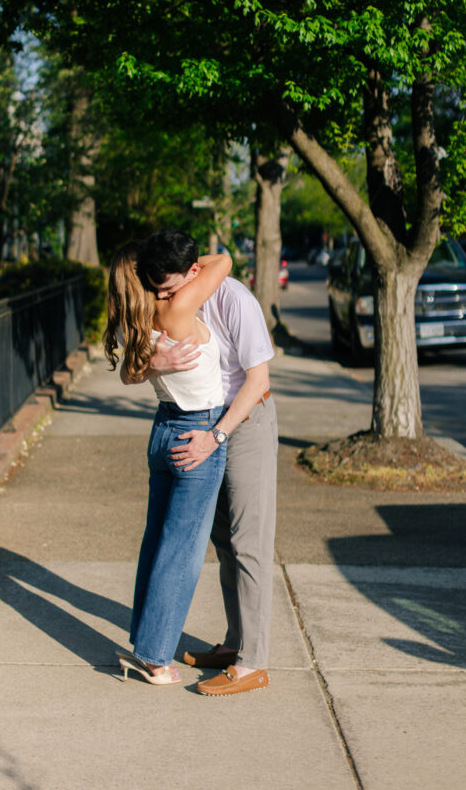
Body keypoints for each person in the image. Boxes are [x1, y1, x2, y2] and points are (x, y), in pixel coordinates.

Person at [135, 228, 277, 696]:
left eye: (171, 289)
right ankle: (235, 642)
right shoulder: (181, 300)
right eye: (157, 290)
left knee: (248, 539)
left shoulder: (236, 301)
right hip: (204, 426)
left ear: (196, 272)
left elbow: (257, 382)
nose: (163, 298)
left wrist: (214, 438)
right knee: (222, 540)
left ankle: (253, 661)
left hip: (244, 421)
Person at [103, 240, 232, 685]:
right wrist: (177, 271)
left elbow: (130, 373)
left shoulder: (129, 322)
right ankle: (156, 658)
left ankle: (145, 641)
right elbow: (223, 261)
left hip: (162, 433)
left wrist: (153, 362)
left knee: (156, 544)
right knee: (181, 554)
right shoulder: (177, 308)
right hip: (196, 433)